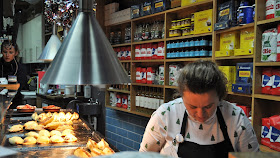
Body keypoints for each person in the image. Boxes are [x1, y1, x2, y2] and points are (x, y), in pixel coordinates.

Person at [139, 60, 259, 158]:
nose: (200, 114)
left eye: (208, 106)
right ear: (182, 96)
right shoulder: (165, 114)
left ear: (220, 97)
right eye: (192, 106)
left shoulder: (236, 117)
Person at [0, 40, 27, 108]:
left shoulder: (20, 68)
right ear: (1, 52)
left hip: (15, 104)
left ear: (16, 53)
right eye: (5, 52)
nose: (7, 55)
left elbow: (21, 85)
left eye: (11, 52)